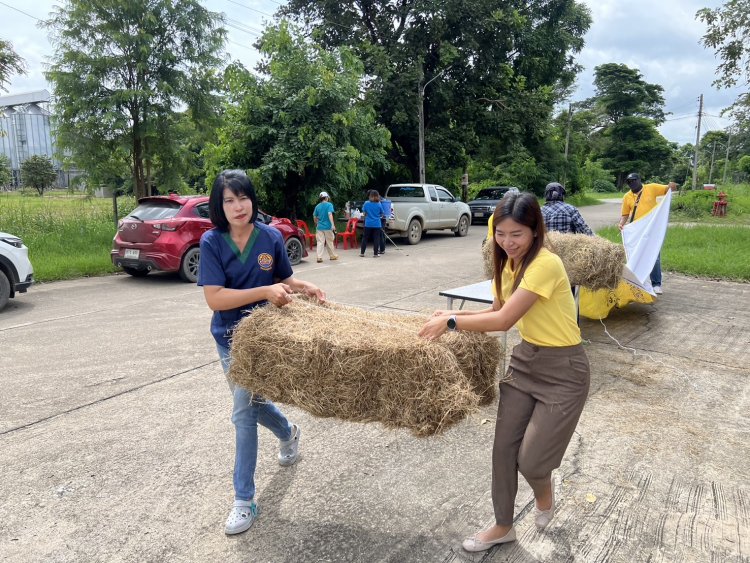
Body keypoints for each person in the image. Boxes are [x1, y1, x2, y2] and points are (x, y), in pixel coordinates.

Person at [419, 192, 590, 552]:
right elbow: (495, 312)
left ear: (535, 231)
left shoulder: (545, 264)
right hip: (525, 361)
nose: (508, 242)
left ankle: (543, 494)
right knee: (503, 450)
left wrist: (450, 323)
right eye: (501, 233)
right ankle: (502, 526)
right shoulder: (505, 264)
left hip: (564, 370)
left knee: (532, 461)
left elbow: (504, 320)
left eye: (517, 234)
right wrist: (452, 315)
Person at [198, 170, 326, 536]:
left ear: (252, 200)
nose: (238, 206)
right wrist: (264, 291)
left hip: (267, 340)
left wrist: (303, 286)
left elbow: (284, 280)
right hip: (229, 339)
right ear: (220, 206)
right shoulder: (212, 242)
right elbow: (215, 298)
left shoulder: (269, 237)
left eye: (243, 198)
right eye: (229, 200)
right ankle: (288, 432)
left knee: (242, 412)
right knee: (249, 406)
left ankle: (244, 500)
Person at [618, 173, 678, 295]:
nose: (632, 183)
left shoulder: (651, 188)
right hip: (637, 230)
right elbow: (625, 214)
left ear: (639, 180)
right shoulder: (627, 196)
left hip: (651, 228)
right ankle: (638, 281)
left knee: (654, 255)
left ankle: (656, 284)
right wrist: (621, 224)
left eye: (634, 180)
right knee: (636, 254)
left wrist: (672, 185)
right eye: (629, 182)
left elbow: (669, 189)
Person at [313, 191, 339, 263]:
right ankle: (332, 256)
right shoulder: (329, 205)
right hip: (328, 227)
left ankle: (319, 257)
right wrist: (332, 225)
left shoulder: (317, 206)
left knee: (320, 242)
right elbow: (330, 214)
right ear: (326, 197)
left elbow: (314, 216)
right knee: (329, 241)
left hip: (319, 227)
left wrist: (316, 223)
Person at [360, 189, 384, 258]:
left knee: (365, 238)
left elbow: (364, 213)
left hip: (368, 224)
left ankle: (362, 253)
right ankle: (375, 254)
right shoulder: (379, 204)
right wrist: (378, 216)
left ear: (370, 196)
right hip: (377, 224)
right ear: (377, 196)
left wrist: (367, 215)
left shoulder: (366, 203)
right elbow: (382, 214)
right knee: (376, 239)